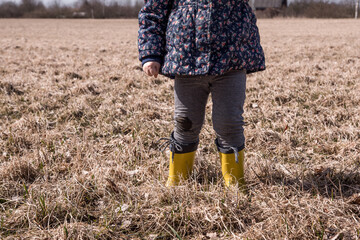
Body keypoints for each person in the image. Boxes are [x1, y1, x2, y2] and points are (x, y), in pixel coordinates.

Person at [138, 0, 265, 188]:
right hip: (185, 60)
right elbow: (152, 14)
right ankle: (178, 179)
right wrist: (150, 54)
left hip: (232, 60)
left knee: (229, 122)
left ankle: (234, 182)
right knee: (185, 123)